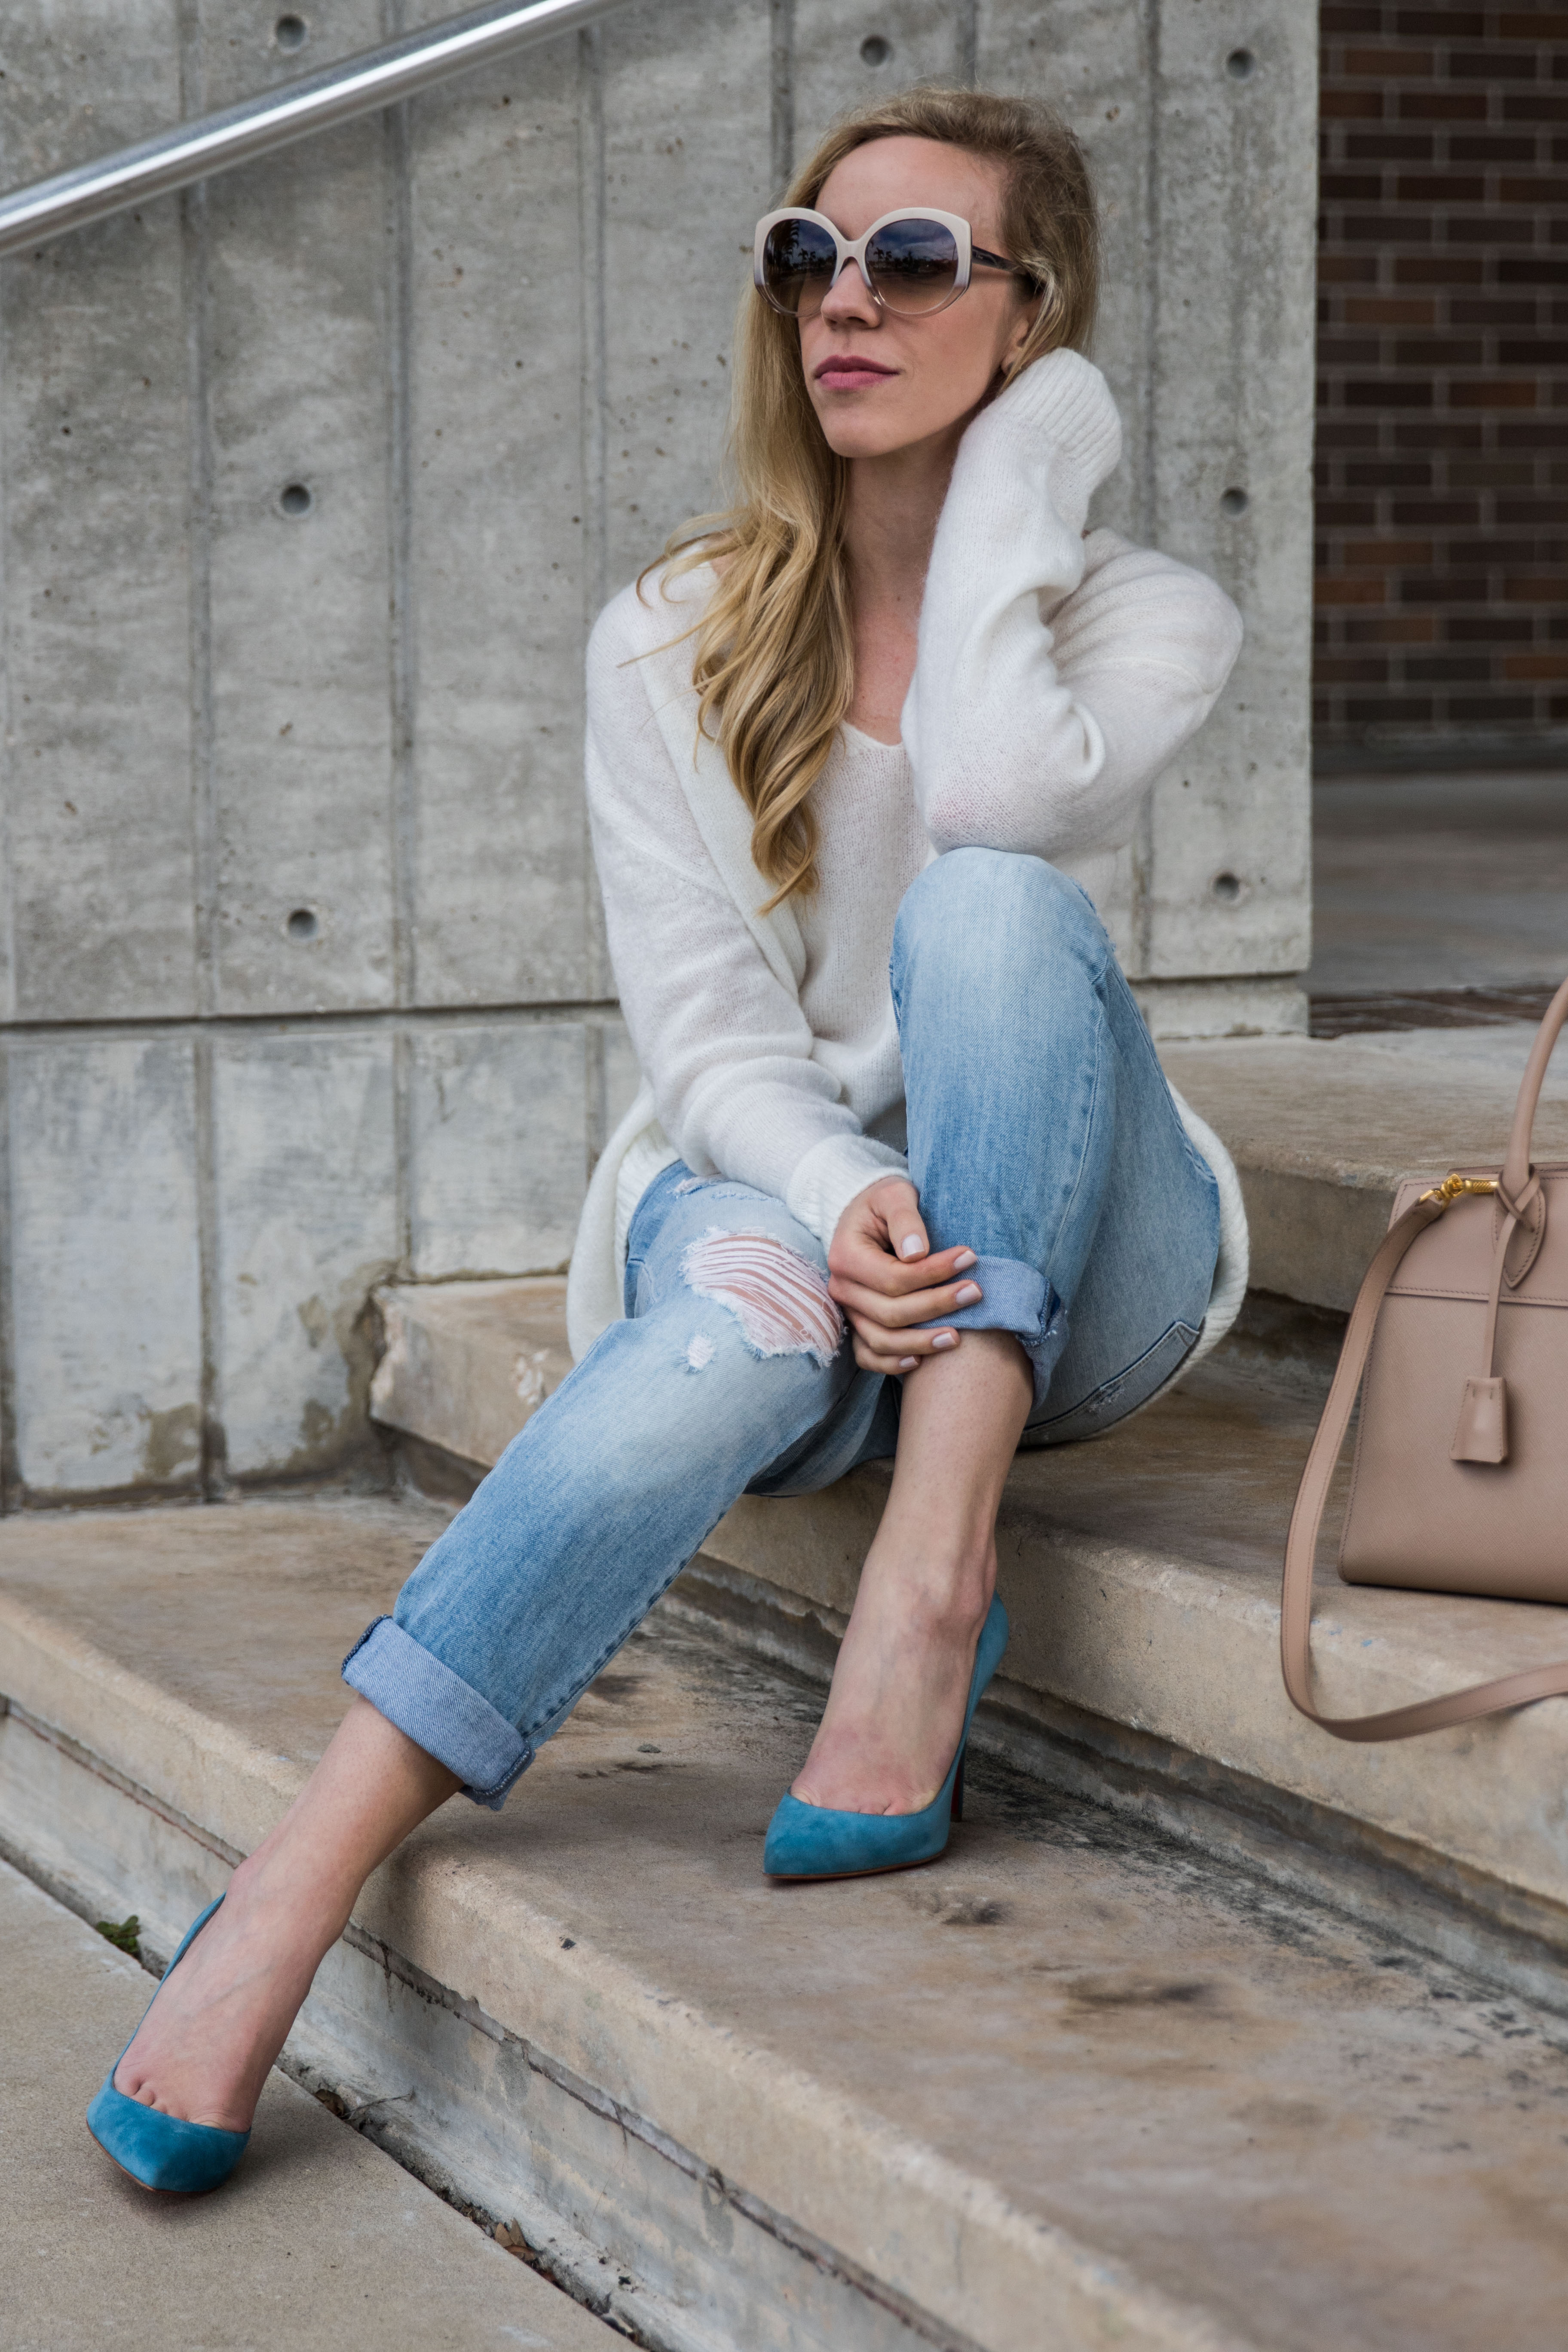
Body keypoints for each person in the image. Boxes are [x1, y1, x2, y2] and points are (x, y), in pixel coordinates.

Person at [87, 83, 1246, 2196]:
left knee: (997, 907)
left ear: (1035, 320)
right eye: (810, 258)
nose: (845, 304)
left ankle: (931, 1575)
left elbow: (990, 799)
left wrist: (1036, 463)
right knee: (695, 1360)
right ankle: (290, 1886)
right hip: (787, 1200)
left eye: (916, 265)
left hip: (1091, 1255)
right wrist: (836, 1192)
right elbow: (712, 1042)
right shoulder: (673, 629)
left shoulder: (1143, 616)